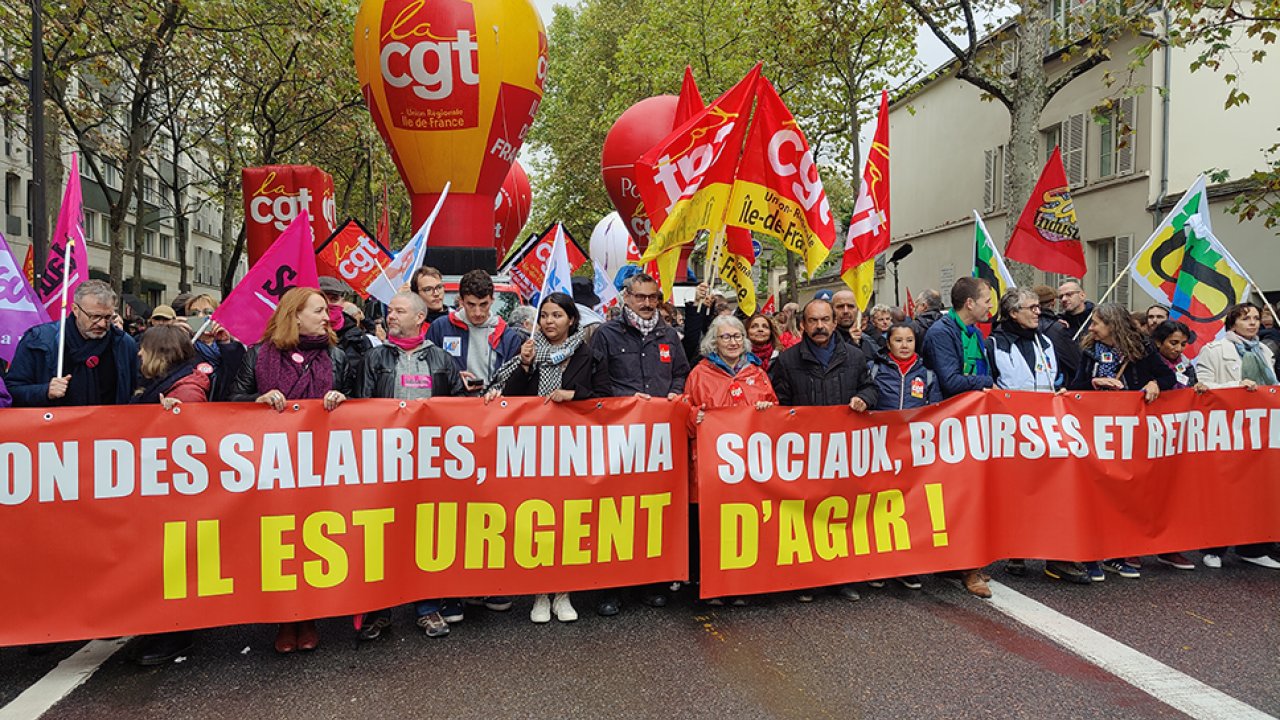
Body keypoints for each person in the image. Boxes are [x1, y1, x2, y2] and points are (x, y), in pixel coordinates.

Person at [228, 286, 352, 653]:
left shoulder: (337, 356)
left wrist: (342, 399)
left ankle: (309, 616)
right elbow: (229, 402)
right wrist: (257, 401)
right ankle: (286, 619)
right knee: (279, 541)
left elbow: (361, 402)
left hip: (320, 465)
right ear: (294, 314)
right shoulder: (257, 357)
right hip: (272, 467)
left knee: (312, 539)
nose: (327, 317)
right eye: (318, 310)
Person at [486, 292, 609, 624]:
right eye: (544, 316)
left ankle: (564, 592)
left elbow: (605, 397)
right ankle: (540, 593)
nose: (549, 322)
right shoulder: (528, 350)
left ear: (571, 319)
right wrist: (525, 364)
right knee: (537, 521)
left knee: (567, 520)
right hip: (533, 450)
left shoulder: (588, 354)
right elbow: (509, 396)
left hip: (572, 450)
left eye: (556, 315)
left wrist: (575, 395)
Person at [353, 292, 466, 640]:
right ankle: (379, 609)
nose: (391, 316)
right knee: (380, 534)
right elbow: (359, 407)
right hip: (384, 462)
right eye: (389, 311)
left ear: (420, 317)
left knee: (425, 533)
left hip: (428, 465)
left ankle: (426, 607)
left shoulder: (443, 360)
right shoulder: (373, 358)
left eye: (399, 311)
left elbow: (460, 406)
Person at [590, 272, 690, 615]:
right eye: (640, 297)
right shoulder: (606, 334)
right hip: (620, 438)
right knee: (616, 511)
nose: (647, 304)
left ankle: (650, 582)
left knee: (652, 509)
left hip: (659, 440)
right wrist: (627, 400)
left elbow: (681, 371)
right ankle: (610, 587)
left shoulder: (668, 335)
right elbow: (596, 381)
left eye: (652, 297)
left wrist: (675, 392)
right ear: (626, 298)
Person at [769, 298, 876, 602]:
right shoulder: (788, 361)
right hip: (805, 454)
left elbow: (871, 387)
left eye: (825, 320)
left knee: (842, 513)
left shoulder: (855, 357)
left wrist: (865, 398)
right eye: (813, 321)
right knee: (806, 517)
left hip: (843, 454)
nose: (820, 326)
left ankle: (843, 577)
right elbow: (778, 401)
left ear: (833, 322)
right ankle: (806, 579)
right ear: (802, 325)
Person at [986, 288, 1089, 585]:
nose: (1037, 312)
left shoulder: (1047, 340)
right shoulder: (994, 343)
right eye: (1031, 308)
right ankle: (1016, 550)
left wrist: (1063, 392)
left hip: (1046, 429)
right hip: (1011, 431)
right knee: (1016, 492)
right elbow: (989, 383)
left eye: (1037, 308)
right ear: (1013, 313)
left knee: (1053, 491)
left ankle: (1056, 558)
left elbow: (1058, 376)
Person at [1069, 302, 1175, 581]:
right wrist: (1095, 384)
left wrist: (1154, 385)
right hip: (1095, 429)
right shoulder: (1090, 349)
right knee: (1094, 492)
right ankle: (1091, 556)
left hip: (1129, 432)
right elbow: (1077, 384)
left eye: (1096, 323)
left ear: (1113, 325)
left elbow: (1167, 376)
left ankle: (1117, 554)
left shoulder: (1141, 348)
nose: (1091, 327)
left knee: (1123, 492)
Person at [127, 325, 213, 665]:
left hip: (175, 498)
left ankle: (174, 635)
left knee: (173, 565)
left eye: (144, 349)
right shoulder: (163, 386)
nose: (138, 354)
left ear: (161, 354)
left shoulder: (186, 393)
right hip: (162, 493)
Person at [686, 315, 777, 605]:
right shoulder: (700, 374)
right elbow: (685, 410)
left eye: (737, 336)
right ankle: (710, 585)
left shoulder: (758, 373)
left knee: (743, 522)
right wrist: (693, 416)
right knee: (712, 524)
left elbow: (775, 412)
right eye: (726, 337)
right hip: (711, 465)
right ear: (714, 341)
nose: (732, 342)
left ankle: (741, 584)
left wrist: (767, 409)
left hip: (748, 466)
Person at [921, 276, 995, 598]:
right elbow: (950, 381)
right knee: (961, 495)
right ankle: (968, 568)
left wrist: (981, 380)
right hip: (949, 425)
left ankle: (961, 560)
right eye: (987, 300)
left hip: (971, 423)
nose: (990, 306)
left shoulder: (975, 333)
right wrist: (988, 381)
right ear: (970, 304)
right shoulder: (941, 333)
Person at [1195, 302, 1280, 570]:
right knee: (1224, 489)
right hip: (1226, 428)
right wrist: (1236, 387)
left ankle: (1253, 548)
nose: (1253, 323)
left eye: (1256, 318)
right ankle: (1214, 548)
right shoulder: (1214, 350)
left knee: (1257, 489)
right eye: (1246, 319)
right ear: (1232, 323)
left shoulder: (1265, 351)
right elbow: (1202, 386)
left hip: (1259, 430)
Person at [868, 322, 940, 591]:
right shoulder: (874, 369)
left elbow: (937, 410)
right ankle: (876, 564)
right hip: (880, 449)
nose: (904, 344)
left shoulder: (928, 375)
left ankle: (905, 566)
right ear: (889, 344)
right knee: (879, 506)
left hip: (912, 453)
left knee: (909, 508)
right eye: (898, 340)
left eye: (909, 340)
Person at [7, 280, 139, 407]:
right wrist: (44, 391)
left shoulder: (124, 344)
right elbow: (12, 391)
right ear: (76, 310)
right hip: (55, 426)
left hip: (109, 427)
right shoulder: (39, 341)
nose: (102, 324)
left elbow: (137, 390)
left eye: (108, 317)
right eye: (94, 317)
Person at [1148, 320, 1207, 571]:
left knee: (1175, 495)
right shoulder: (1148, 363)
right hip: (1152, 439)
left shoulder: (1185, 364)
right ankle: (1132, 549)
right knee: (1149, 495)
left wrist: (1199, 389)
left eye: (1183, 344)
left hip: (1178, 441)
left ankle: (1170, 548)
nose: (1179, 348)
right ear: (1159, 342)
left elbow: (1191, 387)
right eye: (1173, 343)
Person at [427, 269, 527, 395]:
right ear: (461, 301)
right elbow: (426, 371)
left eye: (483, 304)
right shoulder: (440, 328)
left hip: (491, 408)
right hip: (451, 407)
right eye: (471, 305)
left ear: (492, 300)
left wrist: (499, 390)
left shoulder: (508, 336)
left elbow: (514, 381)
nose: (478, 312)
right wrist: (454, 379)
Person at [320, 276, 372, 390]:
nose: (328, 304)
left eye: (334, 299)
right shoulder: (303, 338)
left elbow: (366, 384)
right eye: (323, 299)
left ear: (342, 302)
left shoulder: (359, 339)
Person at [1034, 284, 1082, 384]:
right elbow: (1076, 362)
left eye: (1069, 294)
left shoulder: (1025, 325)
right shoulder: (1057, 328)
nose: (1064, 299)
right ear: (1054, 302)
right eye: (1061, 297)